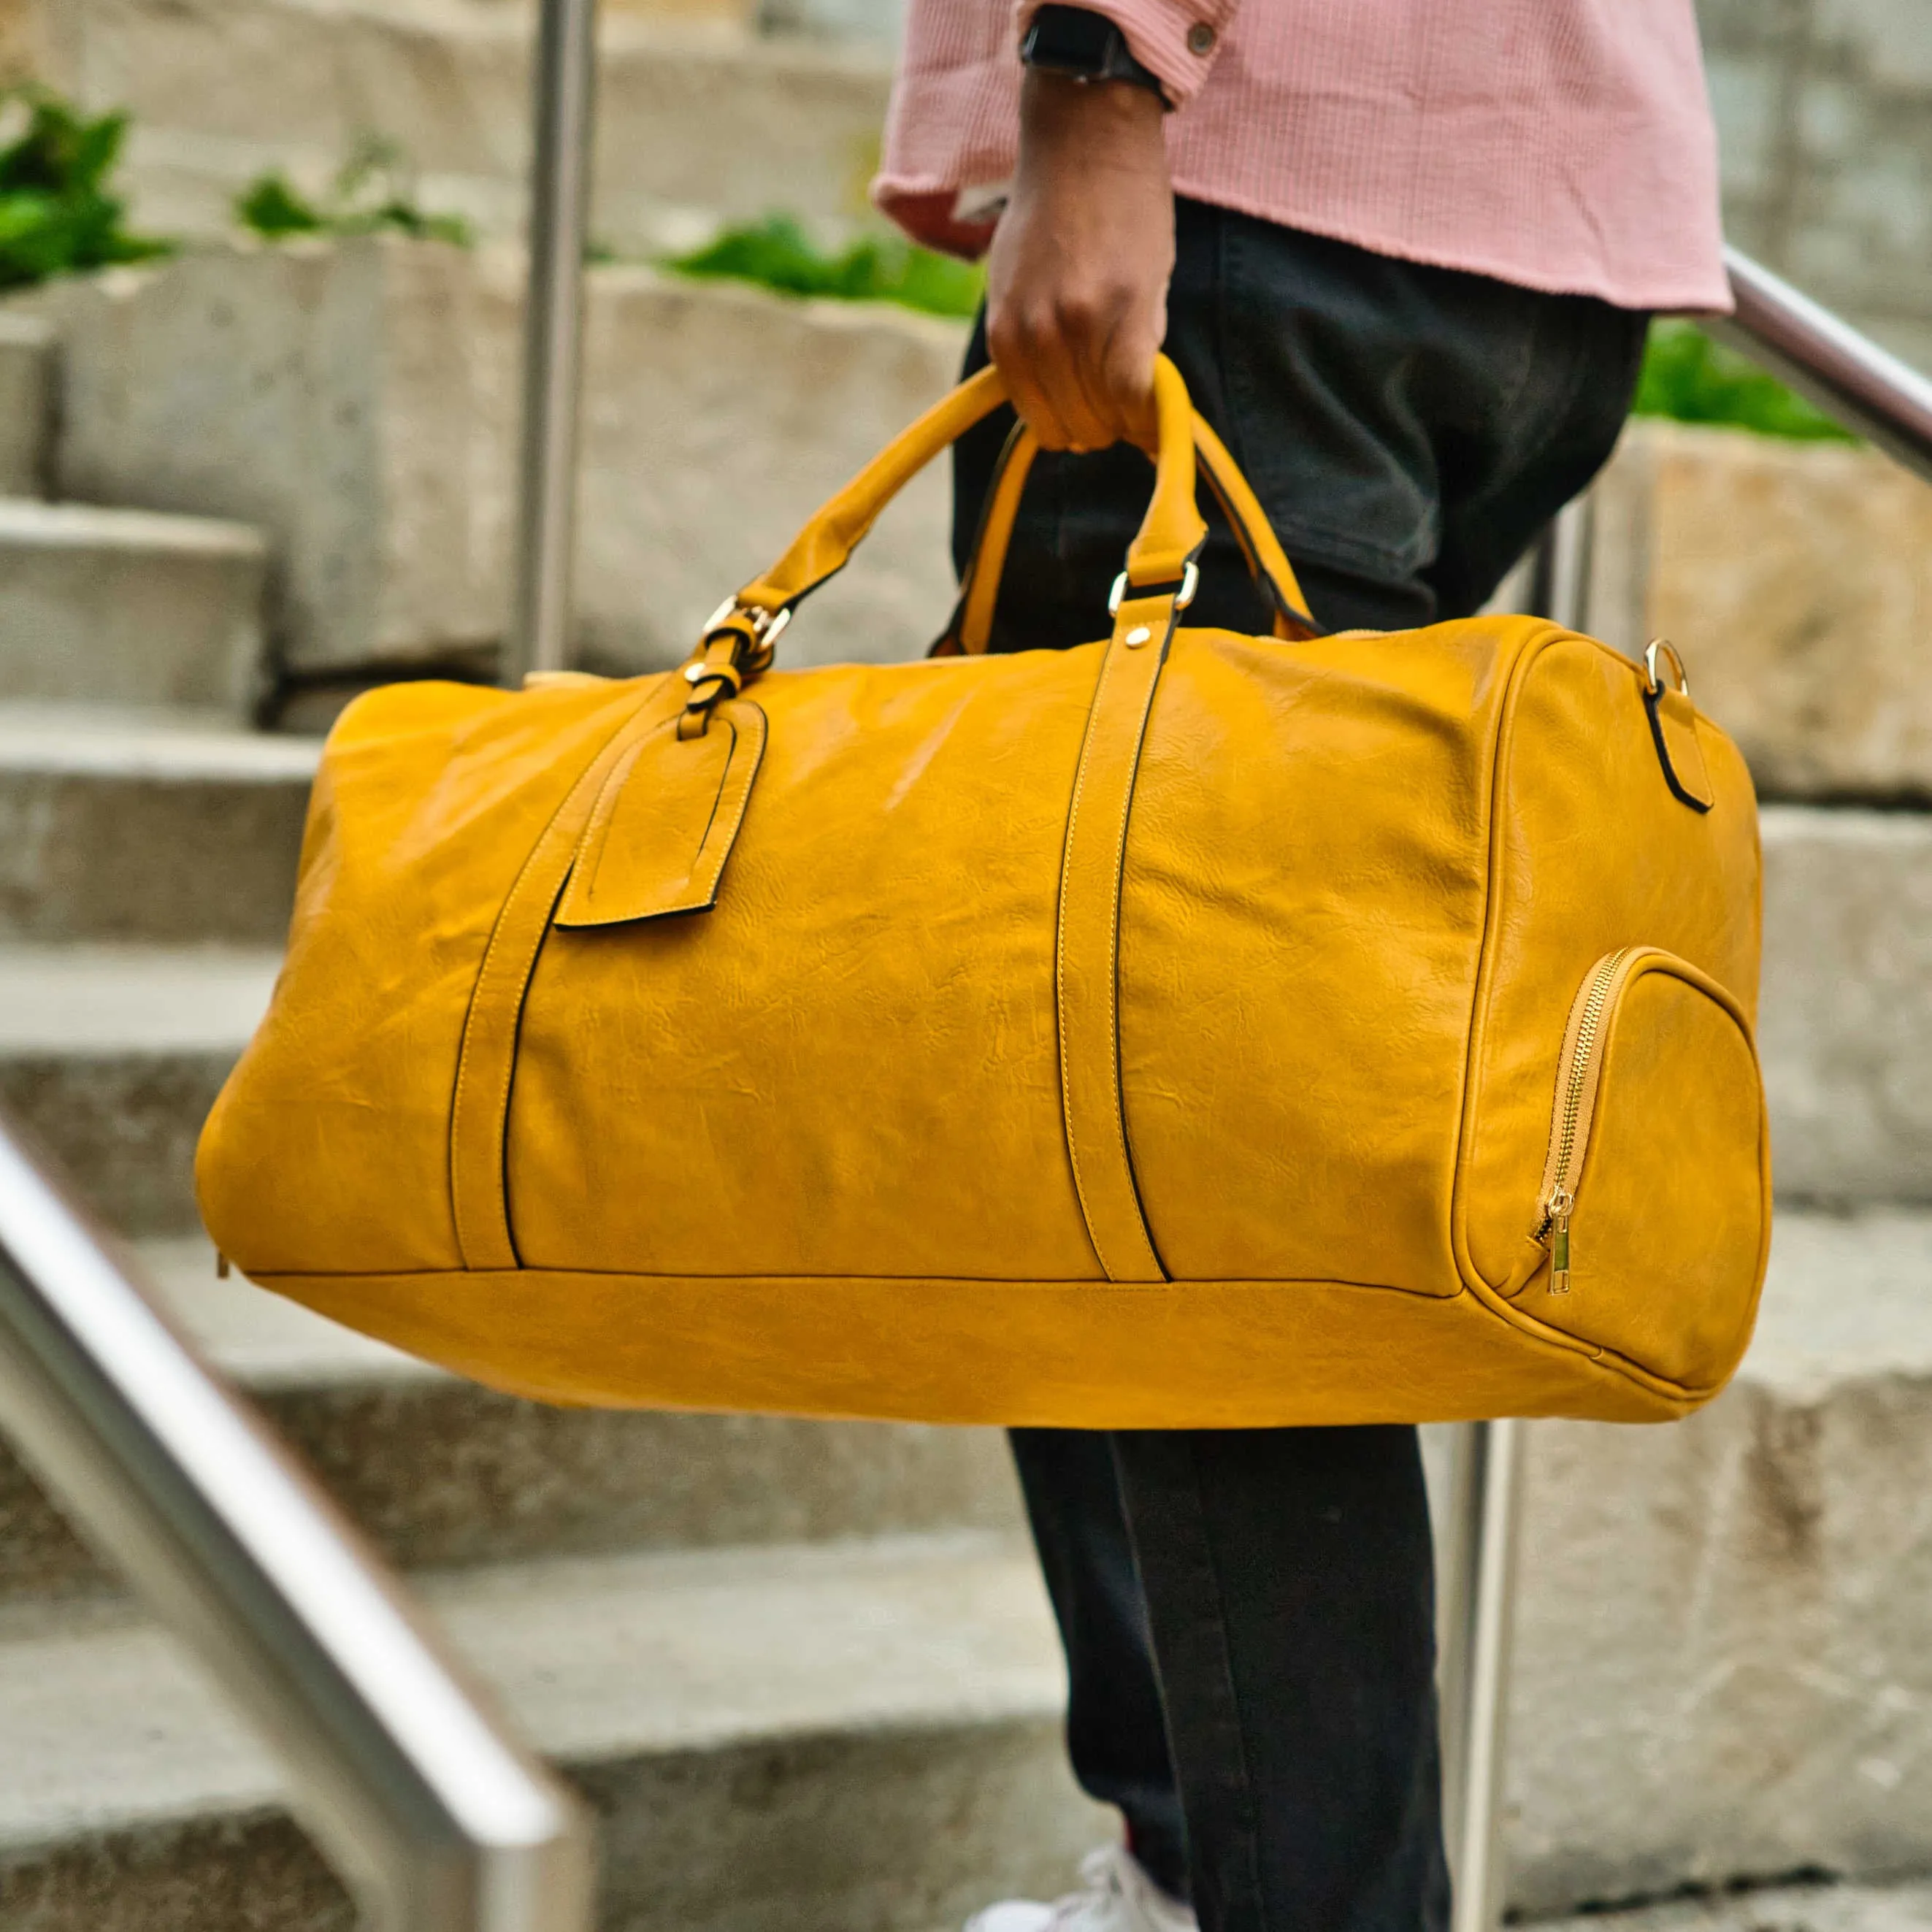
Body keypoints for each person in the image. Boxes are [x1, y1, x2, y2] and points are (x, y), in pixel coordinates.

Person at [873, 4, 1728, 1930]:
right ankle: (1193, 1859)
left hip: (1246, 191)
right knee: (1141, 1103)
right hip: (1522, 232)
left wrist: (1097, 79)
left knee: (1183, 1165)